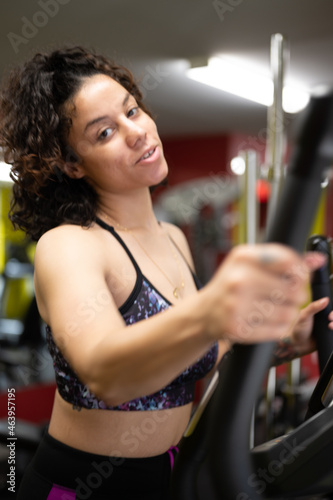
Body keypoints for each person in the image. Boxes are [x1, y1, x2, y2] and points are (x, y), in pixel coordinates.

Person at [0, 45, 331, 500]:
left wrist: (287, 340)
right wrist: (213, 310)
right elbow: (106, 373)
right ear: (70, 164)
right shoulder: (71, 244)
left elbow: (201, 351)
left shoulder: (173, 237)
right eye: (105, 133)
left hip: (170, 478)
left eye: (132, 109)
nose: (137, 132)